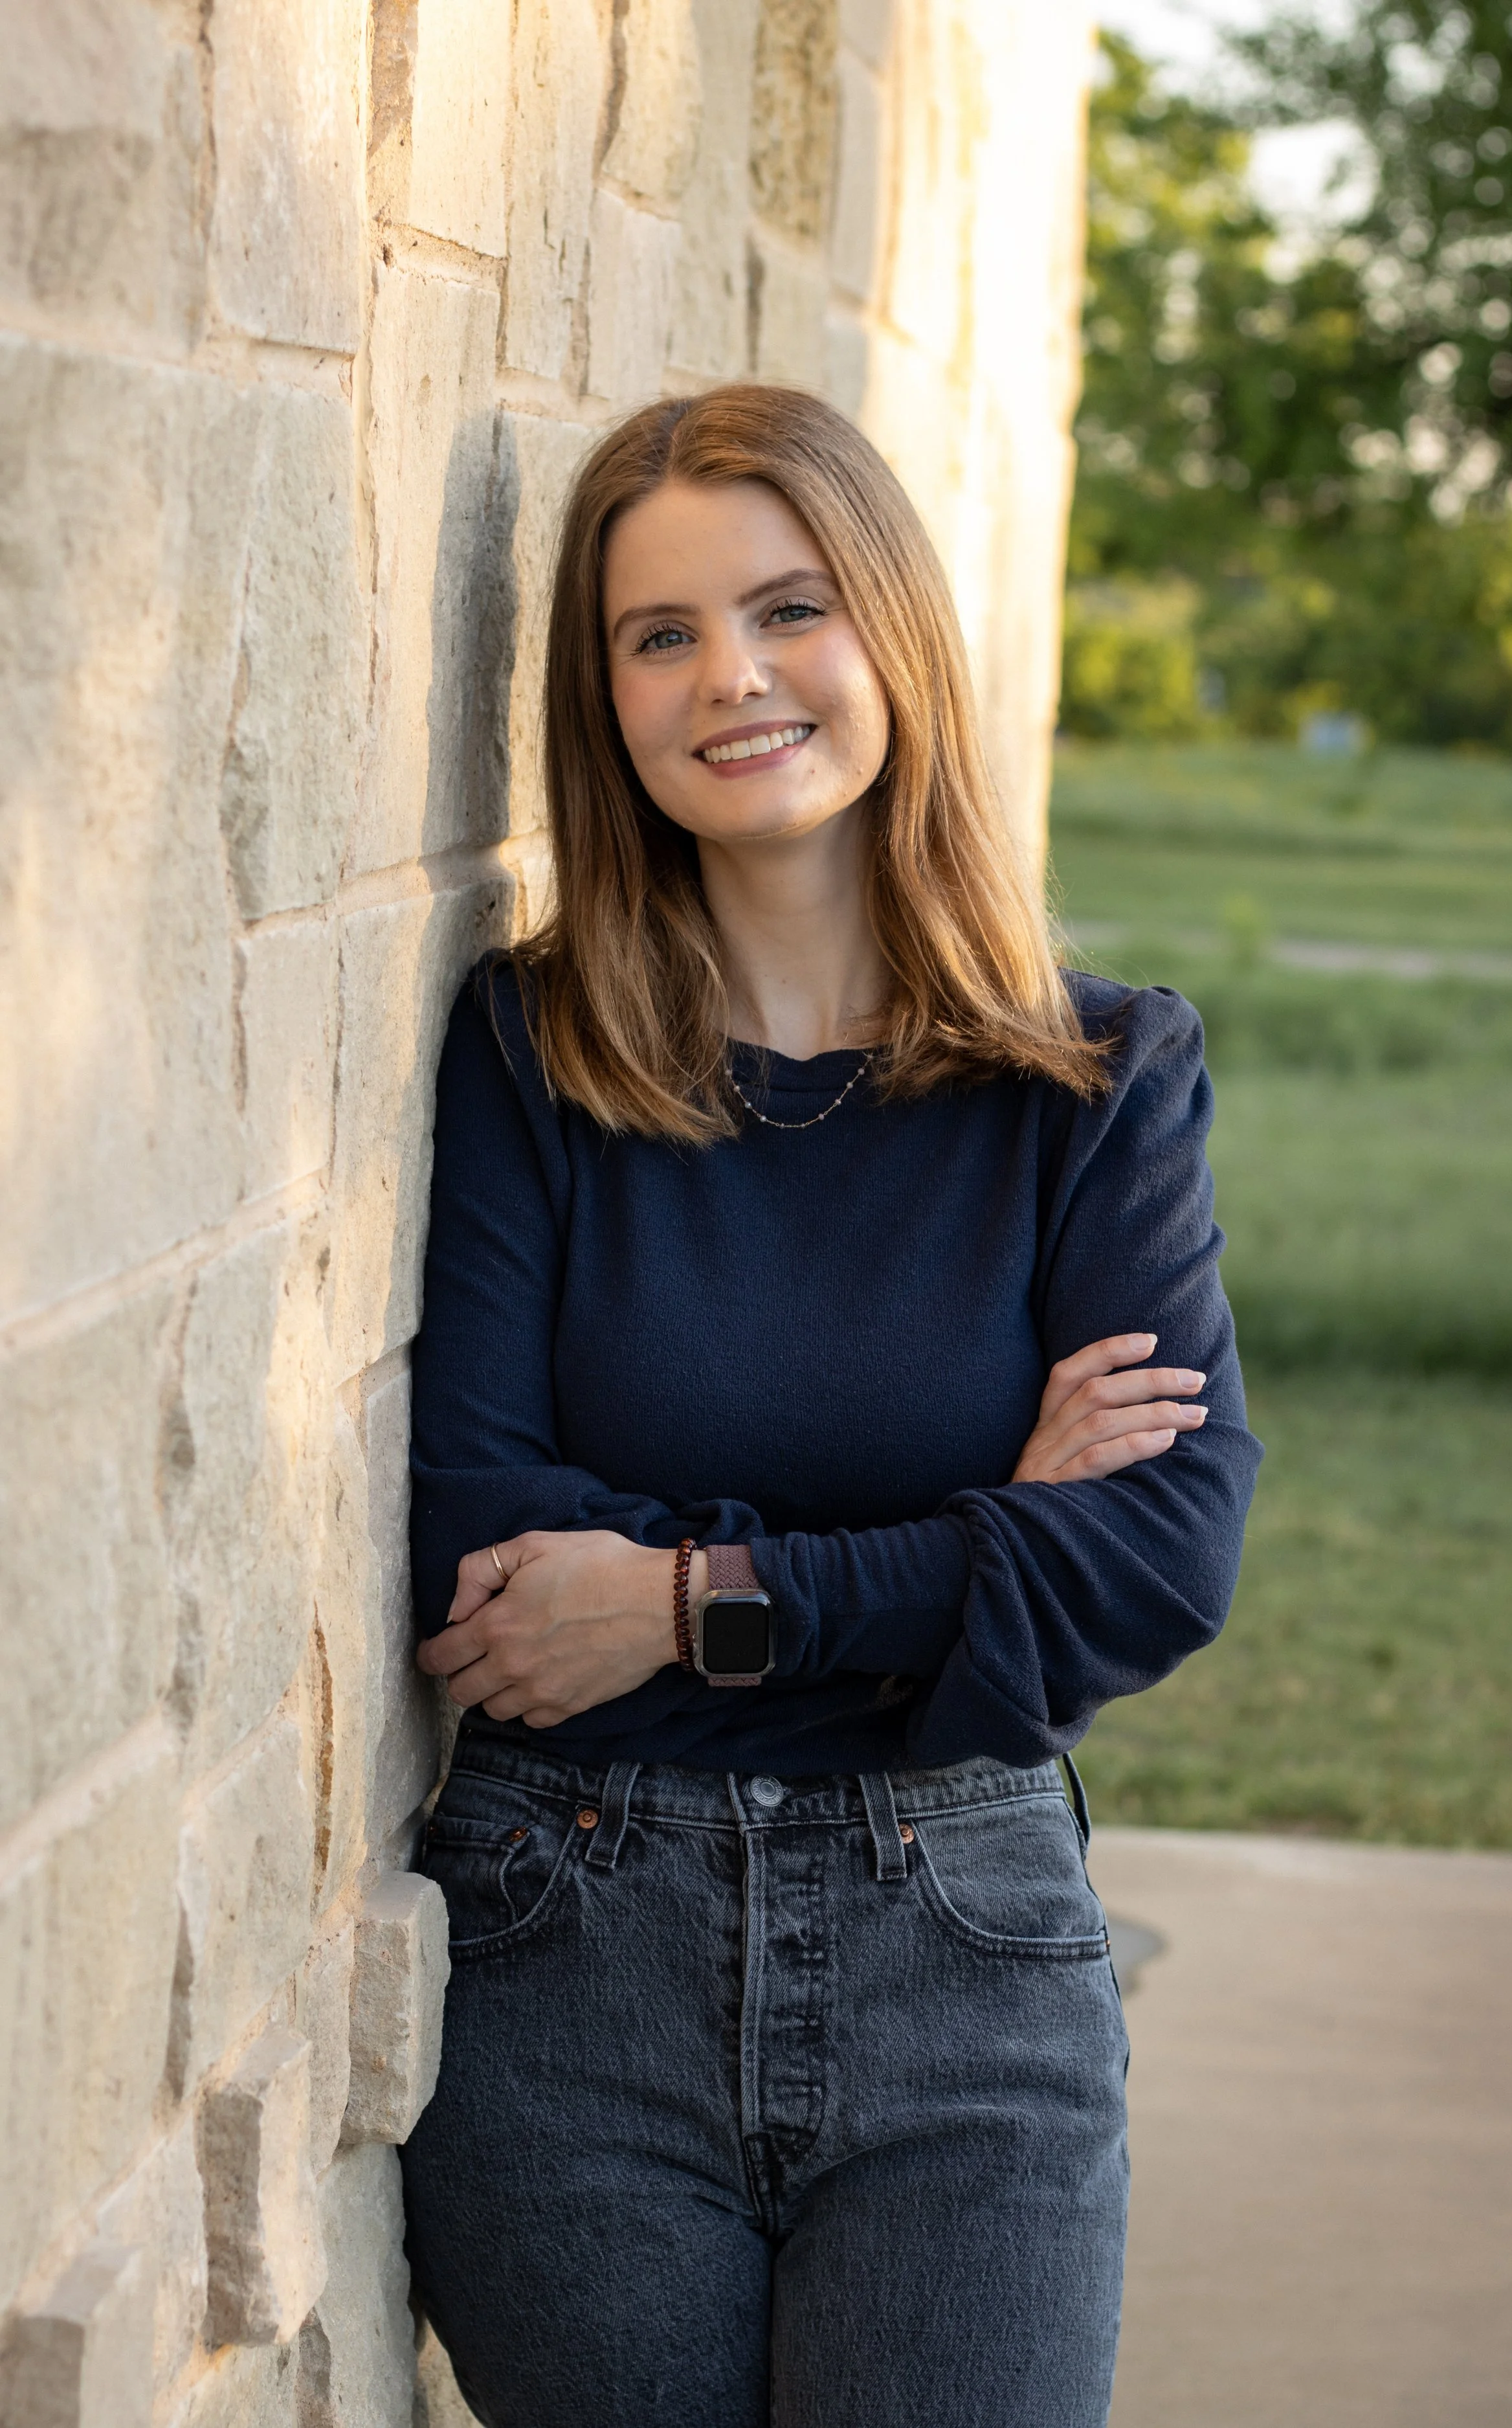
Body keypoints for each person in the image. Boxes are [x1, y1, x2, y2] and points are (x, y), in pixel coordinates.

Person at [401, 385, 1262, 2428]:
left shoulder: (1097, 1082)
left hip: (961, 1947)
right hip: (571, 1950)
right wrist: (978, 1532)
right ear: (600, 693)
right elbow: (480, 1545)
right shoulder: (532, 1052)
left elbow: (1157, 1551)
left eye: (788, 607)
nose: (736, 678)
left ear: (888, 626)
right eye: (660, 632)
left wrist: (686, 1593)